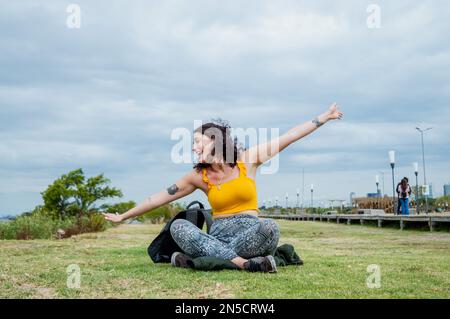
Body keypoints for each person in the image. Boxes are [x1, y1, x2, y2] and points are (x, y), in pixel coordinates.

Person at [104, 103, 343, 273]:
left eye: (197, 142)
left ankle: (208, 259)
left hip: (250, 236)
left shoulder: (248, 160)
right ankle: (242, 263)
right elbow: (158, 198)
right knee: (178, 226)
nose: (194, 148)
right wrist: (124, 215)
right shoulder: (198, 177)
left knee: (270, 227)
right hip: (217, 235)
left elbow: (289, 136)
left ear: (214, 139)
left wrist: (323, 117)